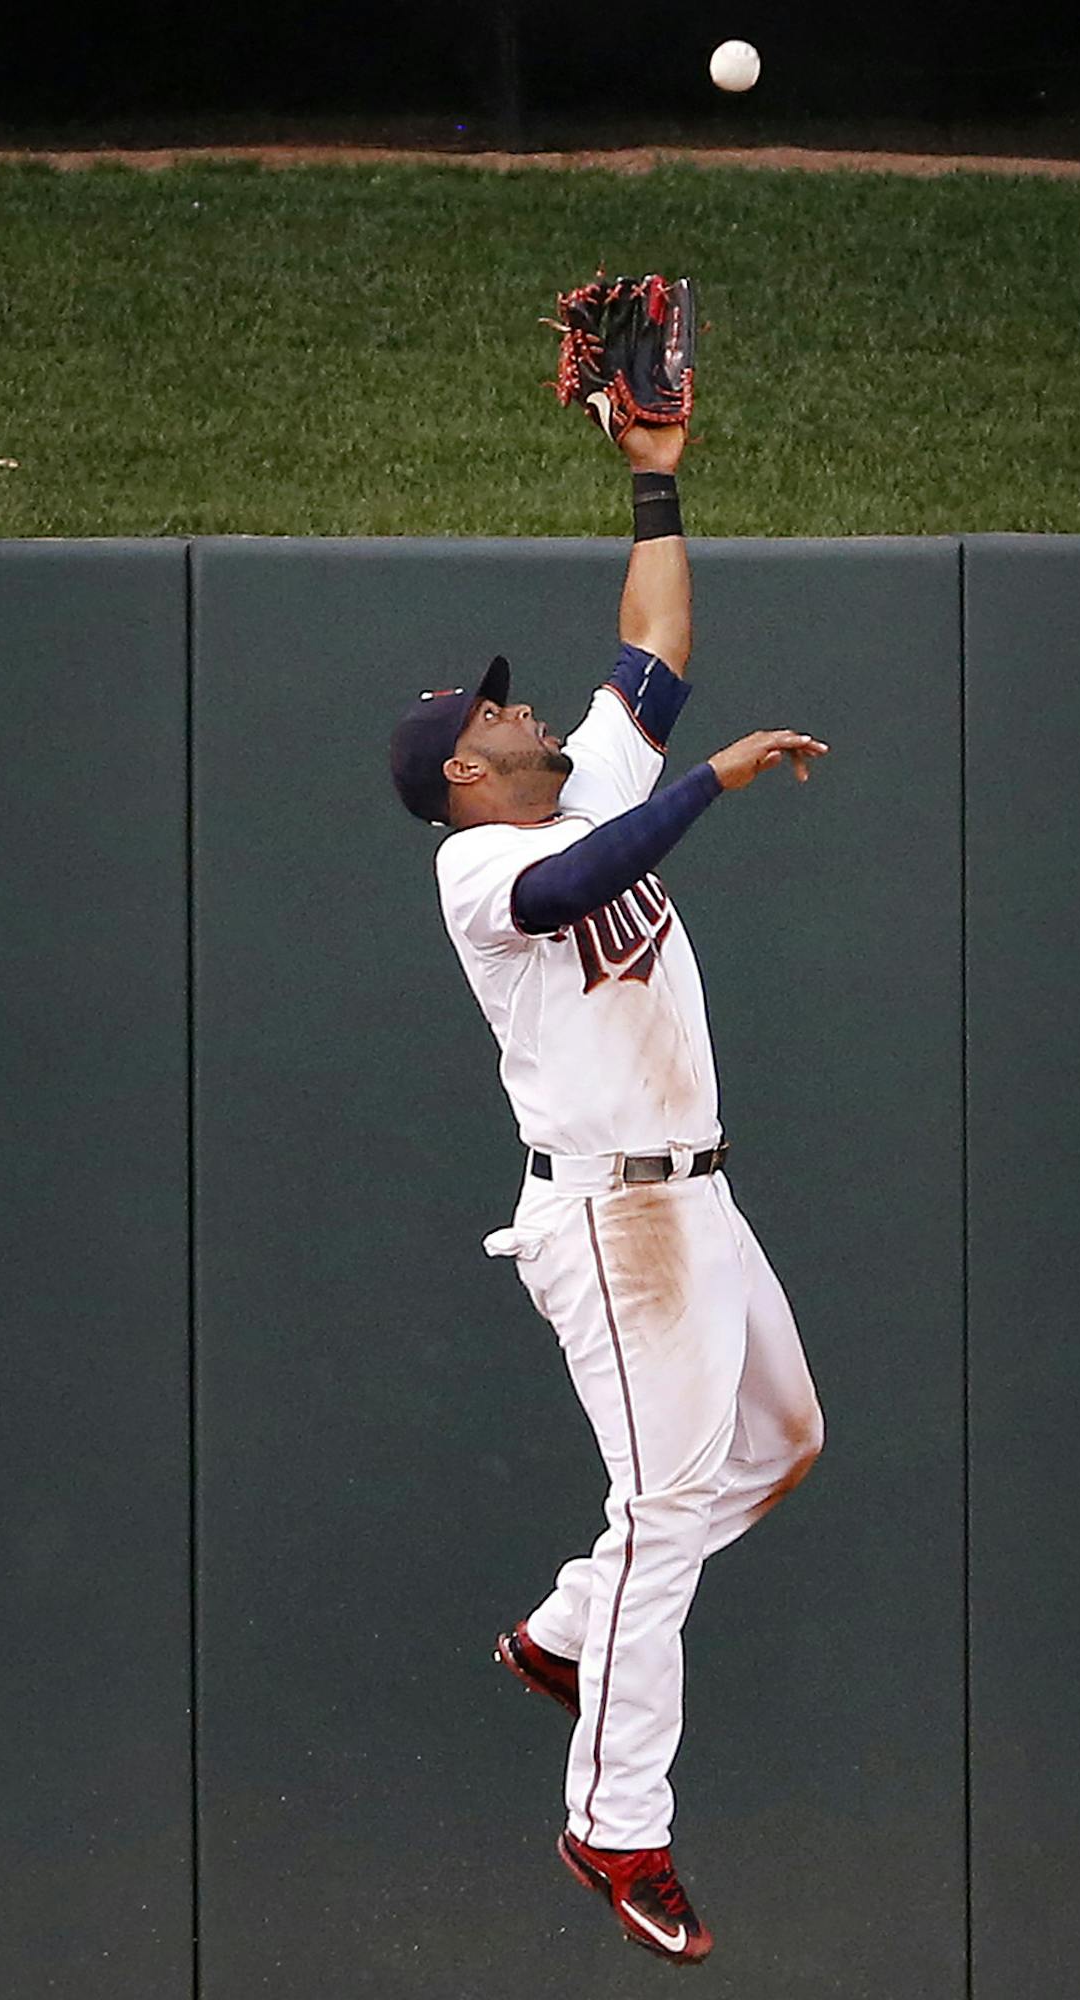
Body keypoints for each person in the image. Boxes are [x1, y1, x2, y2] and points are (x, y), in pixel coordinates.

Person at [386, 420, 829, 1965]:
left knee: (782, 1445)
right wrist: (706, 783)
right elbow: (575, 884)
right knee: (662, 1515)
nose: (525, 709)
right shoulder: (474, 871)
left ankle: (572, 1631)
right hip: (611, 1218)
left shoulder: (583, 790)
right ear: (464, 770)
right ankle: (616, 1826)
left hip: (698, 1204)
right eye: (497, 712)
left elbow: (655, 644)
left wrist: (657, 470)